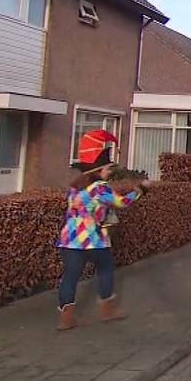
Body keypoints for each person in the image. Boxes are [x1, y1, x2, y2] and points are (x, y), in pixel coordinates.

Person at [57, 130, 150, 331]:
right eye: (107, 167)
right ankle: (107, 310)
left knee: (70, 277)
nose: (109, 171)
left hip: (69, 240)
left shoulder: (74, 188)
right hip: (94, 239)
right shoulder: (100, 188)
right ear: (99, 170)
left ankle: (66, 319)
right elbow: (121, 202)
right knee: (106, 269)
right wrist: (140, 190)